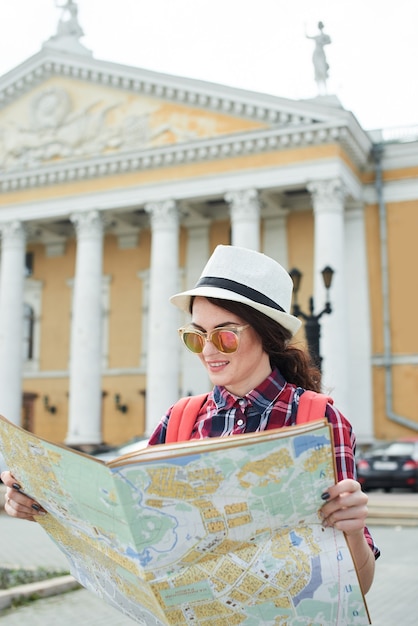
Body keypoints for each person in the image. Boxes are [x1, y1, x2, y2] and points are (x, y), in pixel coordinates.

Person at [1, 245, 378, 595]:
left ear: (267, 334)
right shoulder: (180, 420)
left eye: (225, 336)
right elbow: (129, 524)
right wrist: (43, 504)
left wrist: (354, 528)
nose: (209, 350)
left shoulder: (319, 419)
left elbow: (356, 587)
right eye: (196, 337)